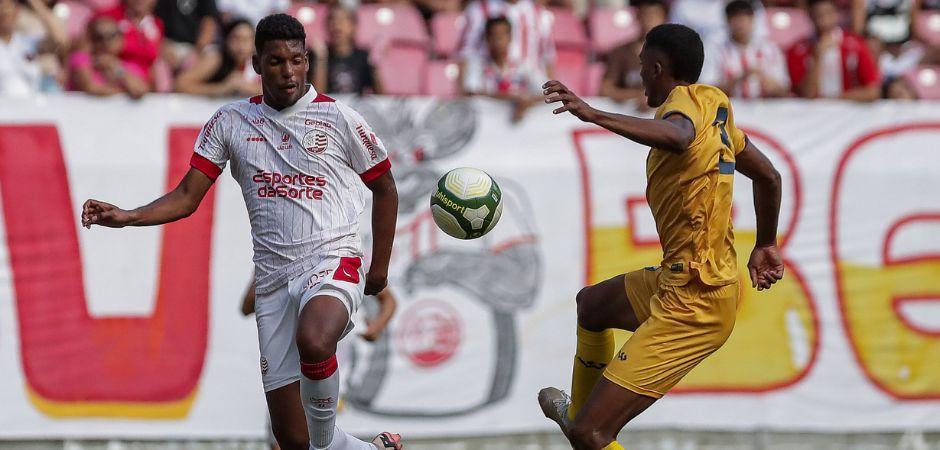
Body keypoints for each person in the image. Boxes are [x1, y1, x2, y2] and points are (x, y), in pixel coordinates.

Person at [81, 13, 402, 450]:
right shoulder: (230, 122)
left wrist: (378, 269)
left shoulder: (340, 119)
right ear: (256, 64)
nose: (287, 73)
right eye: (275, 62)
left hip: (332, 259)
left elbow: (385, 187)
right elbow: (186, 197)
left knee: (314, 339)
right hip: (272, 280)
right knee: (291, 439)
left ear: (307, 61)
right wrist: (127, 216)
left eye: (295, 61)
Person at [537, 23, 784, 450]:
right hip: (682, 280)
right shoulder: (714, 106)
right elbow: (769, 176)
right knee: (592, 306)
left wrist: (594, 114)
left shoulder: (683, 110)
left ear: (656, 69)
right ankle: (579, 413)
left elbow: (679, 136)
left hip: (695, 300)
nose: (638, 76)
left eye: (641, 68)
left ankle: (583, 427)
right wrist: (765, 242)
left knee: (592, 436)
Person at [240, 276, 399, 450]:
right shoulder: (272, 257)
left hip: (325, 377)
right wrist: (270, 278)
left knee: (305, 440)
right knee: (288, 440)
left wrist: (376, 327)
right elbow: (247, 306)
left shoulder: (336, 254)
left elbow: (386, 294)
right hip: (289, 371)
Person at [787, 0, 881, 100]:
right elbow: (806, 95)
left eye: (828, 14)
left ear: (837, 14)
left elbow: (872, 91)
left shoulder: (855, 45)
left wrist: (835, 99)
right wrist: (817, 58)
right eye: (818, 16)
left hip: (848, 112)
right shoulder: (799, 50)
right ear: (810, 16)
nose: (824, 21)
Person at [702, 0, 789, 98]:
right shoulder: (715, 49)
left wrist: (763, 78)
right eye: (736, 18)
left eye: (744, 18)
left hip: (765, 108)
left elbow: (784, 89)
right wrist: (739, 79)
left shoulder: (770, 49)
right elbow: (706, 90)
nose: (740, 24)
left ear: (753, 20)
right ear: (727, 21)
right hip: (729, 106)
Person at [462, 16, 542, 122]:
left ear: (510, 37)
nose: (497, 40)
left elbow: (546, 92)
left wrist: (527, 102)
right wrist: (511, 98)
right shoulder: (477, 64)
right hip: (489, 124)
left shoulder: (522, 65)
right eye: (493, 35)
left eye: (502, 35)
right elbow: (471, 93)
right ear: (486, 38)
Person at [457, 0, 556, 85]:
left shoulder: (539, 13)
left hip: (530, 90)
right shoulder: (478, 10)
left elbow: (548, 58)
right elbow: (465, 55)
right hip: (489, 89)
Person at [599, 0, 667, 104]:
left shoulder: (673, 53)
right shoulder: (621, 52)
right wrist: (638, 96)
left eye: (655, 16)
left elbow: (685, 90)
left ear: (664, 20)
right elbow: (605, 90)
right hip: (629, 114)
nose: (650, 20)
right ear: (637, 17)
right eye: (646, 15)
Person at [67, 16, 150, 98]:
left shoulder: (130, 67)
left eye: (111, 36)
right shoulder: (81, 59)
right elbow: (89, 88)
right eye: (98, 37)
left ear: (121, 39)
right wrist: (124, 93)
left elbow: (139, 90)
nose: (105, 42)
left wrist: (116, 68)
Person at [176, 18, 260, 96]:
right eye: (236, 39)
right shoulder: (215, 58)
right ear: (226, 40)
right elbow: (180, 84)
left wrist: (248, 87)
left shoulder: (258, 61)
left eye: (247, 39)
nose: (242, 46)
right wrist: (221, 88)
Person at [308, 7, 382, 95]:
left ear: (353, 26)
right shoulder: (317, 54)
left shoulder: (363, 56)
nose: (337, 24)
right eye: (332, 19)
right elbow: (316, 99)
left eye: (343, 19)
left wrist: (375, 64)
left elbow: (382, 99)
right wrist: (321, 60)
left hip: (354, 108)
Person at [0, 0, 65, 95]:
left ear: (16, 12)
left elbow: (60, 40)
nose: (5, 18)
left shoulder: (27, 42)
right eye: (2, 15)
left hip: (31, 105)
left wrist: (36, 4)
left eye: (8, 14)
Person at [93, 0, 165, 84]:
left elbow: (154, 62)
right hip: (111, 82)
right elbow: (88, 53)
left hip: (145, 85)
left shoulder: (157, 24)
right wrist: (120, 72)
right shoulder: (106, 16)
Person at [155, 0, 219, 70]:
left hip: (195, 47)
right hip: (167, 44)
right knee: (158, 64)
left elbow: (209, 24)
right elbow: (154, 20)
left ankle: (181, 80)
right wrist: (163, 46)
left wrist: (197, 51)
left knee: (213, 57)